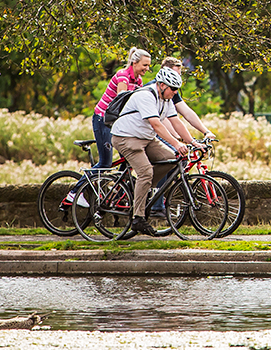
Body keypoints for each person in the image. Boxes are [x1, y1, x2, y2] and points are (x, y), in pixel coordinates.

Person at [108, 65, 190, 237]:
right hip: (126, 137)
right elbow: (156, 124)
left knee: (171, 158)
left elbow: (176, 122)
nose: (175, 92)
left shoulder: (166, 100)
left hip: (146, 138)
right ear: (161, 85)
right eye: (173, 89)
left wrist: (193, 142)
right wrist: (176, 143)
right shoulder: (145, 95)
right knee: (145, 172)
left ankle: (144, 191)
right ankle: (138, 217)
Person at [91, 48, 150, 169]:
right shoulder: (123, 76)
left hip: (116, 122)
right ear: (135, 63)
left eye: (148, 65)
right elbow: (121, 100)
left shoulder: (138, 80)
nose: (147, 68)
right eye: (145, 65)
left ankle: (120, 187)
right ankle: (77, 189)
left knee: (128, 159)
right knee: (105, 164)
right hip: (103, 119)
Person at [156, 56, 217, 144]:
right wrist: (178, 138)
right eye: (175, 74)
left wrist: (206, 132)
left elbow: (186, 112)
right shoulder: (156, 90)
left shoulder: (172, 91)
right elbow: (161, 118)